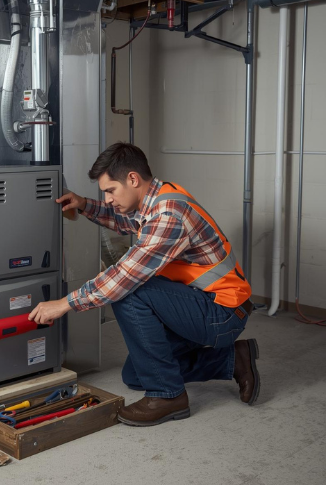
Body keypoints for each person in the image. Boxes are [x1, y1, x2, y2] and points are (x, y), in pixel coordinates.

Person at [28, 142, 260, 427]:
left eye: (110, 190)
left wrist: (63, 304)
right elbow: (125, 221)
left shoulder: (168, 215)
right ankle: (234, 359)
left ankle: (168, 396)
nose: (109, 199)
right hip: (198, 304)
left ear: (133, 179)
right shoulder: (158, 198)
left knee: (128, 292)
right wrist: (85, 204)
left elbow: (124, 276)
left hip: (222, 313)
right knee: (136, 374)